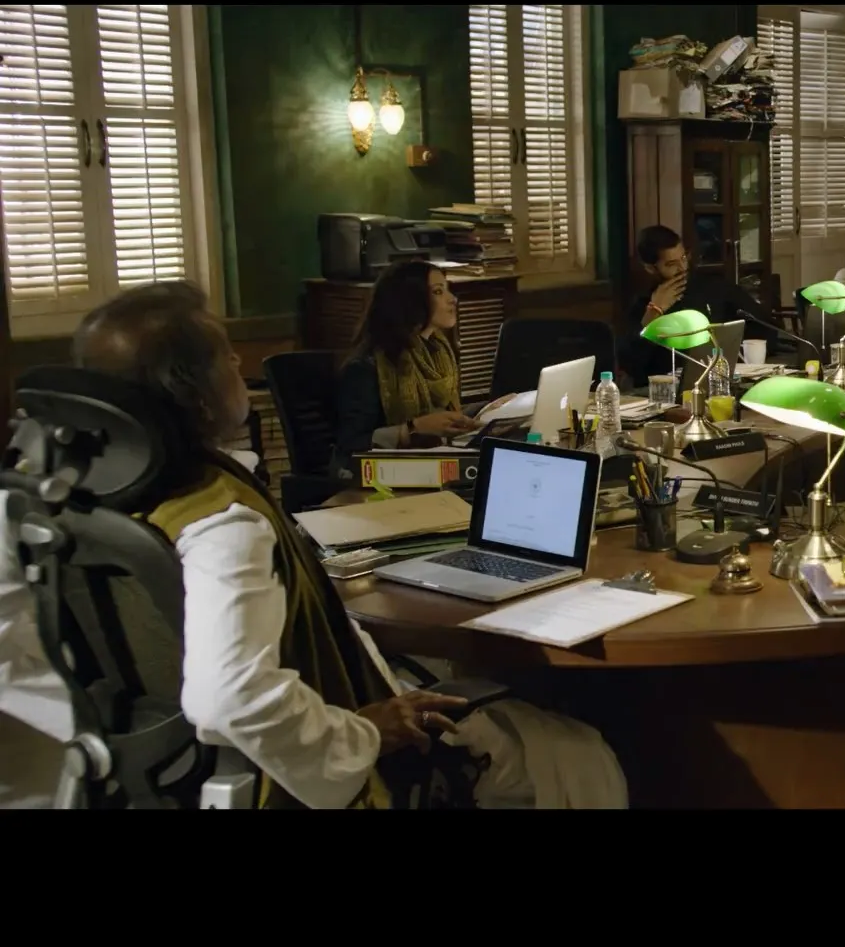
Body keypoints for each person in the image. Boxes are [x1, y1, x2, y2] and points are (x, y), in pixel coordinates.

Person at [2, 283, 627, 809]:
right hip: (321, 777)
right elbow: (229, 696)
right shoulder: (220, 521)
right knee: (580, 752)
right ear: (192, 392)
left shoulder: (58, 497)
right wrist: (361, 734)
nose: (238, 366)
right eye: (223, 355)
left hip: (154, 779)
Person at [335, 260, 479, 456]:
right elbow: (351, 445)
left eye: (448, 290)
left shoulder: (438, 353)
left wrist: (488, 410)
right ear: (410, 301)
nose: (452, 299)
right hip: (387, 469)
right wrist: (412, 429)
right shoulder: (366, 366)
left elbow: (444, 418)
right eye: (438, 292)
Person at [619, 224, 782, 382]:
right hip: (664, 390)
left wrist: (735, 356)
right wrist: (655, 312)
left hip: (718, 380)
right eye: (671, 264)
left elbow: (767, 328)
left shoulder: (712, 287)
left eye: (683, 258)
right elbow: (632, 366)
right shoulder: (641, 304)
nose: (682, 268)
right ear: (651, 268)